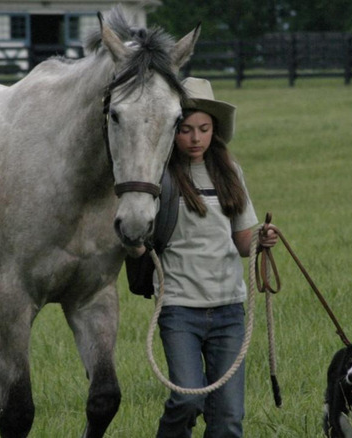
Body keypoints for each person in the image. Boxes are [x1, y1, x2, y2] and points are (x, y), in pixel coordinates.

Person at [132, 77, 278, 437]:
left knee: (228, 418)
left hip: (229, 308)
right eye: (185, 130)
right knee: (186, 401)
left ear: (215, 130)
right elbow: (138, 241)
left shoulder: (228, 171)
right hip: (179, 307)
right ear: (171, 130)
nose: (195, 139)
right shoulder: (158, 176)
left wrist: (264, 238)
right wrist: (132, 242)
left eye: (204, 129)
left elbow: (244, 242)